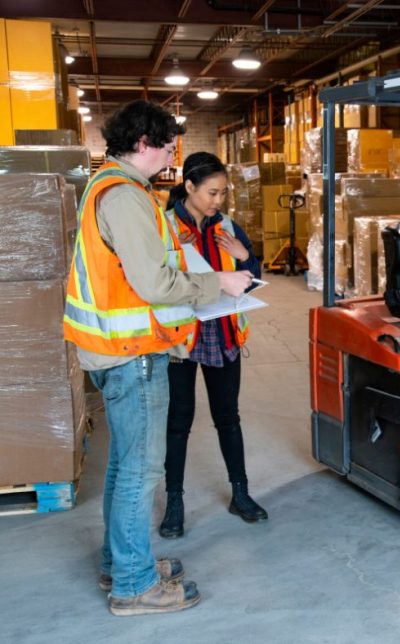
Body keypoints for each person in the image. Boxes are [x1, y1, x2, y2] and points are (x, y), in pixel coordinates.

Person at [62, 101, 253, 616]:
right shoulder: (123, 196)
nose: (173, 154)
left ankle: (120, 561)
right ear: (144, 143)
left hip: (116, 351)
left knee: (125, 465)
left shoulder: (115, 187)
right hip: (132, 354)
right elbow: (153, 283)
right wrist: (220, 282)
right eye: (169, 145)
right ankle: (134, 585)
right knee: (140, 472)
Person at [158, 152, 268, 540]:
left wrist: (246, 257)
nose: (217, 201)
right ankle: (174, 503)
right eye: (211, 192)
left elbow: (250, 279)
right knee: (178, 423)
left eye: (222, 193)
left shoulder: (228, 226)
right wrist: (175, 255)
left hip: (222, 334)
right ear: (189, 187)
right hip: (182, 338)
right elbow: (154, 284)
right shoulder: (165, 226)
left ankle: (240, 493)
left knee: (228, 417)